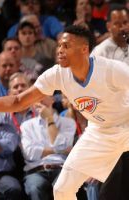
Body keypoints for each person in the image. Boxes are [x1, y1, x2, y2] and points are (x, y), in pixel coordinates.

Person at [0, 24, 129, 200]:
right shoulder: (57, 74)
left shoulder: (110, 69)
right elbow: (18, 101)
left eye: (66, 46)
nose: (60, 50)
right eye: (59, 45)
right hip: (99, 133)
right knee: (62, 189)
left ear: (84, 49)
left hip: (126, 124)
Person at [91, 4, 129, 200]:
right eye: (117, 24)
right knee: (114, 176)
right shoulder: (100, 53)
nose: (123, 27)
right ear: (108, 26)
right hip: (111, 122)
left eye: (125, 22)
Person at [20, 96, 75, 200]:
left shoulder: (68, 122)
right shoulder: (26, 125)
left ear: (53, 99)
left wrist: (49, 119)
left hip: (61, 168)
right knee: (35, 188)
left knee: (63, 188)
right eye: (36, 96)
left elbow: (60, 145)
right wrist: (59, 151)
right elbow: (29, 154)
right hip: (36, 170)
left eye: (43, 95)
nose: (40, 99)